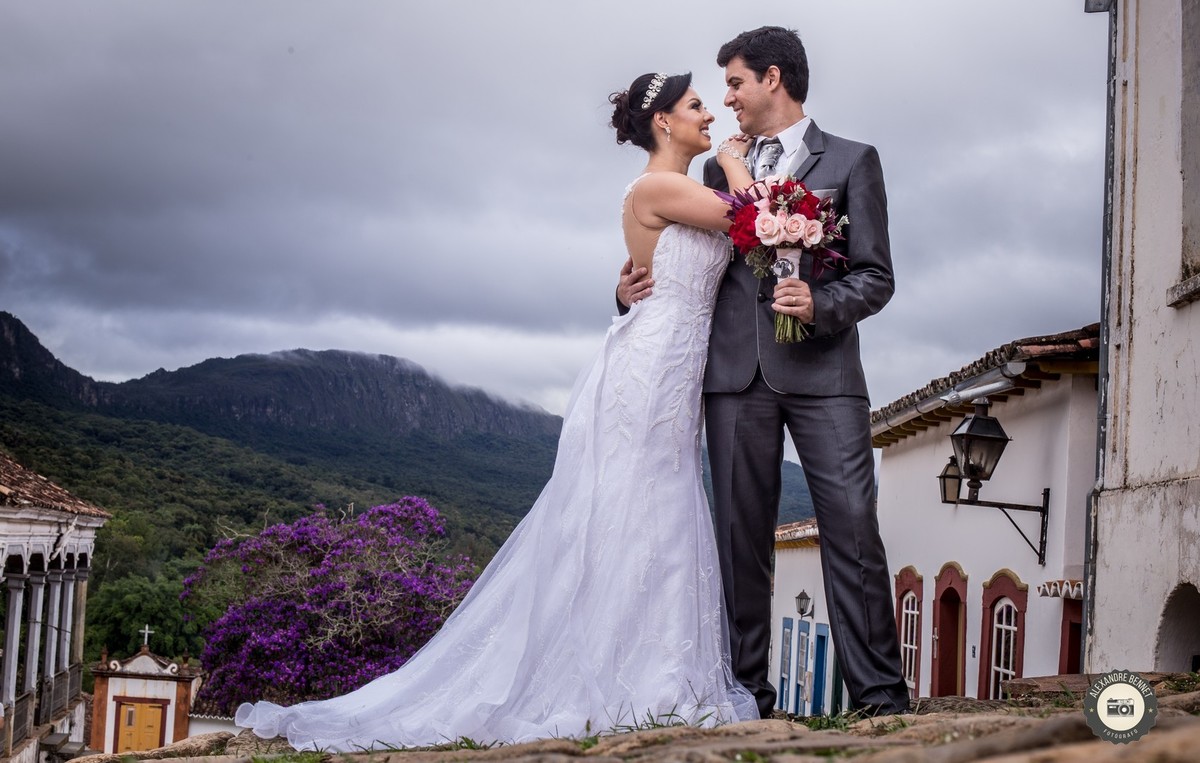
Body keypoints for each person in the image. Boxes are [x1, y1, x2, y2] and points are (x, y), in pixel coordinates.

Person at [235, 72, 759, 751]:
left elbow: (666, 265)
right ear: (663, 123)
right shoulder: (661, 184)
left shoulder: (677, 189)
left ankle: (653, 668)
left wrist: (623, 289)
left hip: (672, 364)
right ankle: (626, 678)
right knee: (638, 506)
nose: (708, 114)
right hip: (650, 369)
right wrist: (740, 164)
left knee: (660, 508)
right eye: (695, 106)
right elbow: (750, 220)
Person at [618, 26, 909, 718]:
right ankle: (747, 695)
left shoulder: (852, 161)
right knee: (738, 543)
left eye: (737, 83)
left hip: (827, 375)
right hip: (731, 377)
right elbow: (671, 252)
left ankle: (880, 695)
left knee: (853, 526)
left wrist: (819, 302)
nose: (727, 100)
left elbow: (877, 276)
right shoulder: (716, 173)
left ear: (773, 79)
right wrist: (626, 289)